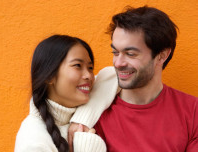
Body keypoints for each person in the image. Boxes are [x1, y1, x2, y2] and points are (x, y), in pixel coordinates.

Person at [69, 6, 198, 151]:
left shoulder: (193, 111)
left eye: (130, 54)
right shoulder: (88, 112)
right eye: (115, 52)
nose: (118, 63)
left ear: (161, 56)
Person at [14, 35, 106, 152]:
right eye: (77, 65)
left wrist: (82, 118)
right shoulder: (34, 141)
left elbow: (114, 75)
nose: (89, 75)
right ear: (49, 75)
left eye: (90, 67)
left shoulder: (78, 117)